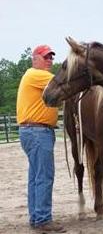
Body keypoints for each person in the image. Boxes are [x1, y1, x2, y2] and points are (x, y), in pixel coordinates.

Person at [16, 45, 66, 233]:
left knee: (35, 177)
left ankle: (36, 218)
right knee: (44, 176)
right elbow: (64, 81)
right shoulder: (36, 75)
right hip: (38, 133)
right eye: (46, 57)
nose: (50, 61)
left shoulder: (34, 77)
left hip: (32, 132)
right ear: (35, 59)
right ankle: (43, 219)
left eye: (51, 57)